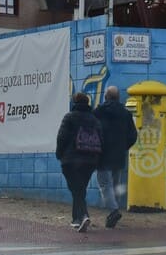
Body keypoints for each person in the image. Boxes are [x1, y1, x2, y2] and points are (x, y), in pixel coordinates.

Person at [92, 85, 138, 229]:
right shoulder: (125, 114)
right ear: (118, 97)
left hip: (102, 154)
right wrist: (123, 147)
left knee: (105, 185)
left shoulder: (98, 112)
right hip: (118, 155)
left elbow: (91, 132)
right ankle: (114, 212)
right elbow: (133, 135)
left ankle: (114, 211)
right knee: (116, 185)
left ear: (105, 97)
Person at [55, 91, 102, 232]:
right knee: (80, 189)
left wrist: (59, 154)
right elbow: (101, 140)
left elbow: (61, 137)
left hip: (71, 160)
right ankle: (76, 219)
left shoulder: (69, 117)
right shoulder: (95, 120)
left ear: (74, 102)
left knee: (77, 189)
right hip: (90, 161)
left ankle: (83, 216)